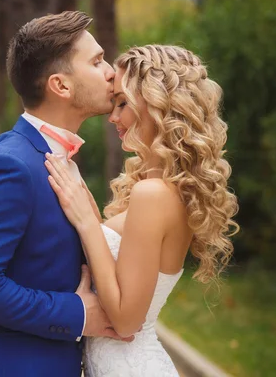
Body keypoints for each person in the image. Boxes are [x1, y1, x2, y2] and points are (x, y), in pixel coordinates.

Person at [0, 11, 127, 377]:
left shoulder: (55, 158)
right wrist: (77, 314)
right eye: (96, 62)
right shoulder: (12, 166)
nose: (111, 71)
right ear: (60, 86)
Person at [44, 44, 239, 376]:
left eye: (123, 103)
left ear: (156, 104)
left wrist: (89, 224)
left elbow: (126, 321)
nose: (113, 116)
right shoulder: (160, 188)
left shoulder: (153, 194)